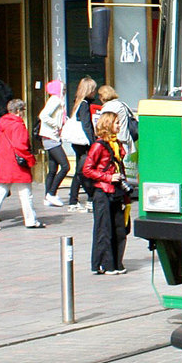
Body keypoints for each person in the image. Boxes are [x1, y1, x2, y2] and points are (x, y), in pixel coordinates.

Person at [0, 98, 44, 230]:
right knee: (25, 193)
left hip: (4, 161)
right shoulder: (18, 124)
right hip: (17, 163)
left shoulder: (3, 122)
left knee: (0, 191)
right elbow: (21, 146)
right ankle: (30, 220)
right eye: (22, 110)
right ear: (18, 110)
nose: (23, 113)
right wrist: (30, 159)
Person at [81, 110, 130, 275]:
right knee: (104, 229)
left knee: (119, 228)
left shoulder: (117, 144)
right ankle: (104, 264)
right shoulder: (98, 146)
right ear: (108, 125)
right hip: (103, 192)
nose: (119, 125)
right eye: (116, 123)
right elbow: (87, 170)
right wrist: (108, 177)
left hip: (115, 192)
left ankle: (117, 263)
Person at [65, 77, 100, 209]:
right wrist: (92, 142)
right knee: (83, 170)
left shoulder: (77, 102)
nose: (95, 92)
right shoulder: (85, 104)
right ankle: (90, 197)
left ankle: (73, 199)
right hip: (84, 142)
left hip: (77, 141)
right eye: (94, 89)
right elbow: (86, 125)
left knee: (79, 170)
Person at [37, 80, 69, 207]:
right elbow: (43, 115)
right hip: (51, 137)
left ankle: (47, 197)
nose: (65, 92)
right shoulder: (56, 100)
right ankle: (51, 193)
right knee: (65, 166)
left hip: (50, 137)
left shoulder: (55, 100)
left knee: (52, 169)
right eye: (64, 89)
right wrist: (56, 125)